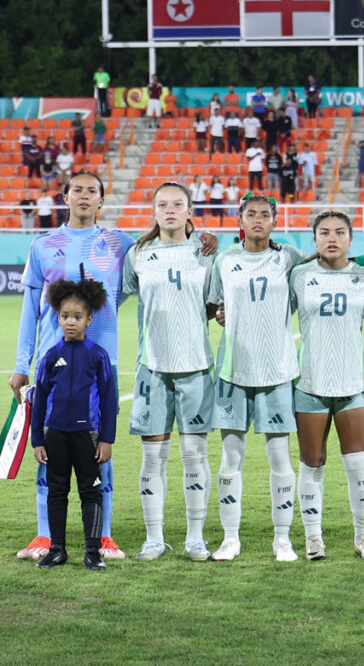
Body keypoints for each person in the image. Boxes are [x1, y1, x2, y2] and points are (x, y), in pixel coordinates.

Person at [12, 172, 134, 562]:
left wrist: (196, 235)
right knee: (49, 448)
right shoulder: (44, 245)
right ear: (65, 197)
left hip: (102, 365)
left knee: (100, 449)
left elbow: (162, 248)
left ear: (102, 200)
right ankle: (47, 537)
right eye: (77, 189)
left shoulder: (120, 244)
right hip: (53, 366)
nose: (84, 195)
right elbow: (30, 310)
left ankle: (104, 537)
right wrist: (21, 364)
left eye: (92, 191)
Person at [207, 194, 306, 562]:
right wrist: (220, 313)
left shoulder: (289, 259)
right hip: (233, 370)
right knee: (231, 457)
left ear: (275, 221)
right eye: (252, 214)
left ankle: (283, 539)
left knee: (280, 458)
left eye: (266, 215)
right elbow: (215, 306)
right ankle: (230, 538)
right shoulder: (225, 260)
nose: (259, 220)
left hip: (277, 370)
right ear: (241, 219)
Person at [121, 183, 216, 561]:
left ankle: (195, 537)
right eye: (163, 204)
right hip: (153, 368)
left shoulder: (206, 252)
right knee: (152, 458)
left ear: (190, 209)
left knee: (195, 457)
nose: (170, 210)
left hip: (197, 366)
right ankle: (153, 539)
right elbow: (118, 298)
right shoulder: (139, 253)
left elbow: (213, 305)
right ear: (154, 209)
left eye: (178, 204)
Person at [291, 212, 364, 560]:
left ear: (351, 238)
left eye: (340, 232)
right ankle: (313, 538)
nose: (332, 238)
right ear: (314, 238)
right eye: (324, 232)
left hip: (353, 384)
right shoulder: (299, 276)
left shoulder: (363, 277)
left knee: (358, 464)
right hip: (310, 383)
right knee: (312, 463)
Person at [30, 277, 117, 571]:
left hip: (86, 436)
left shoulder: (97, 355)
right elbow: (39, 400)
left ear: (89, 320)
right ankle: (57, 550)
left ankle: (93, 552)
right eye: (65, 316)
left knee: (90, 490)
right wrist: (37, 440)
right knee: (56, 491)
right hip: (55, 435)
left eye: (77, 317)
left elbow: (108, 400)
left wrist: (106, 439)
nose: (71, 322)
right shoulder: (51, 357)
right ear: (58, 317)